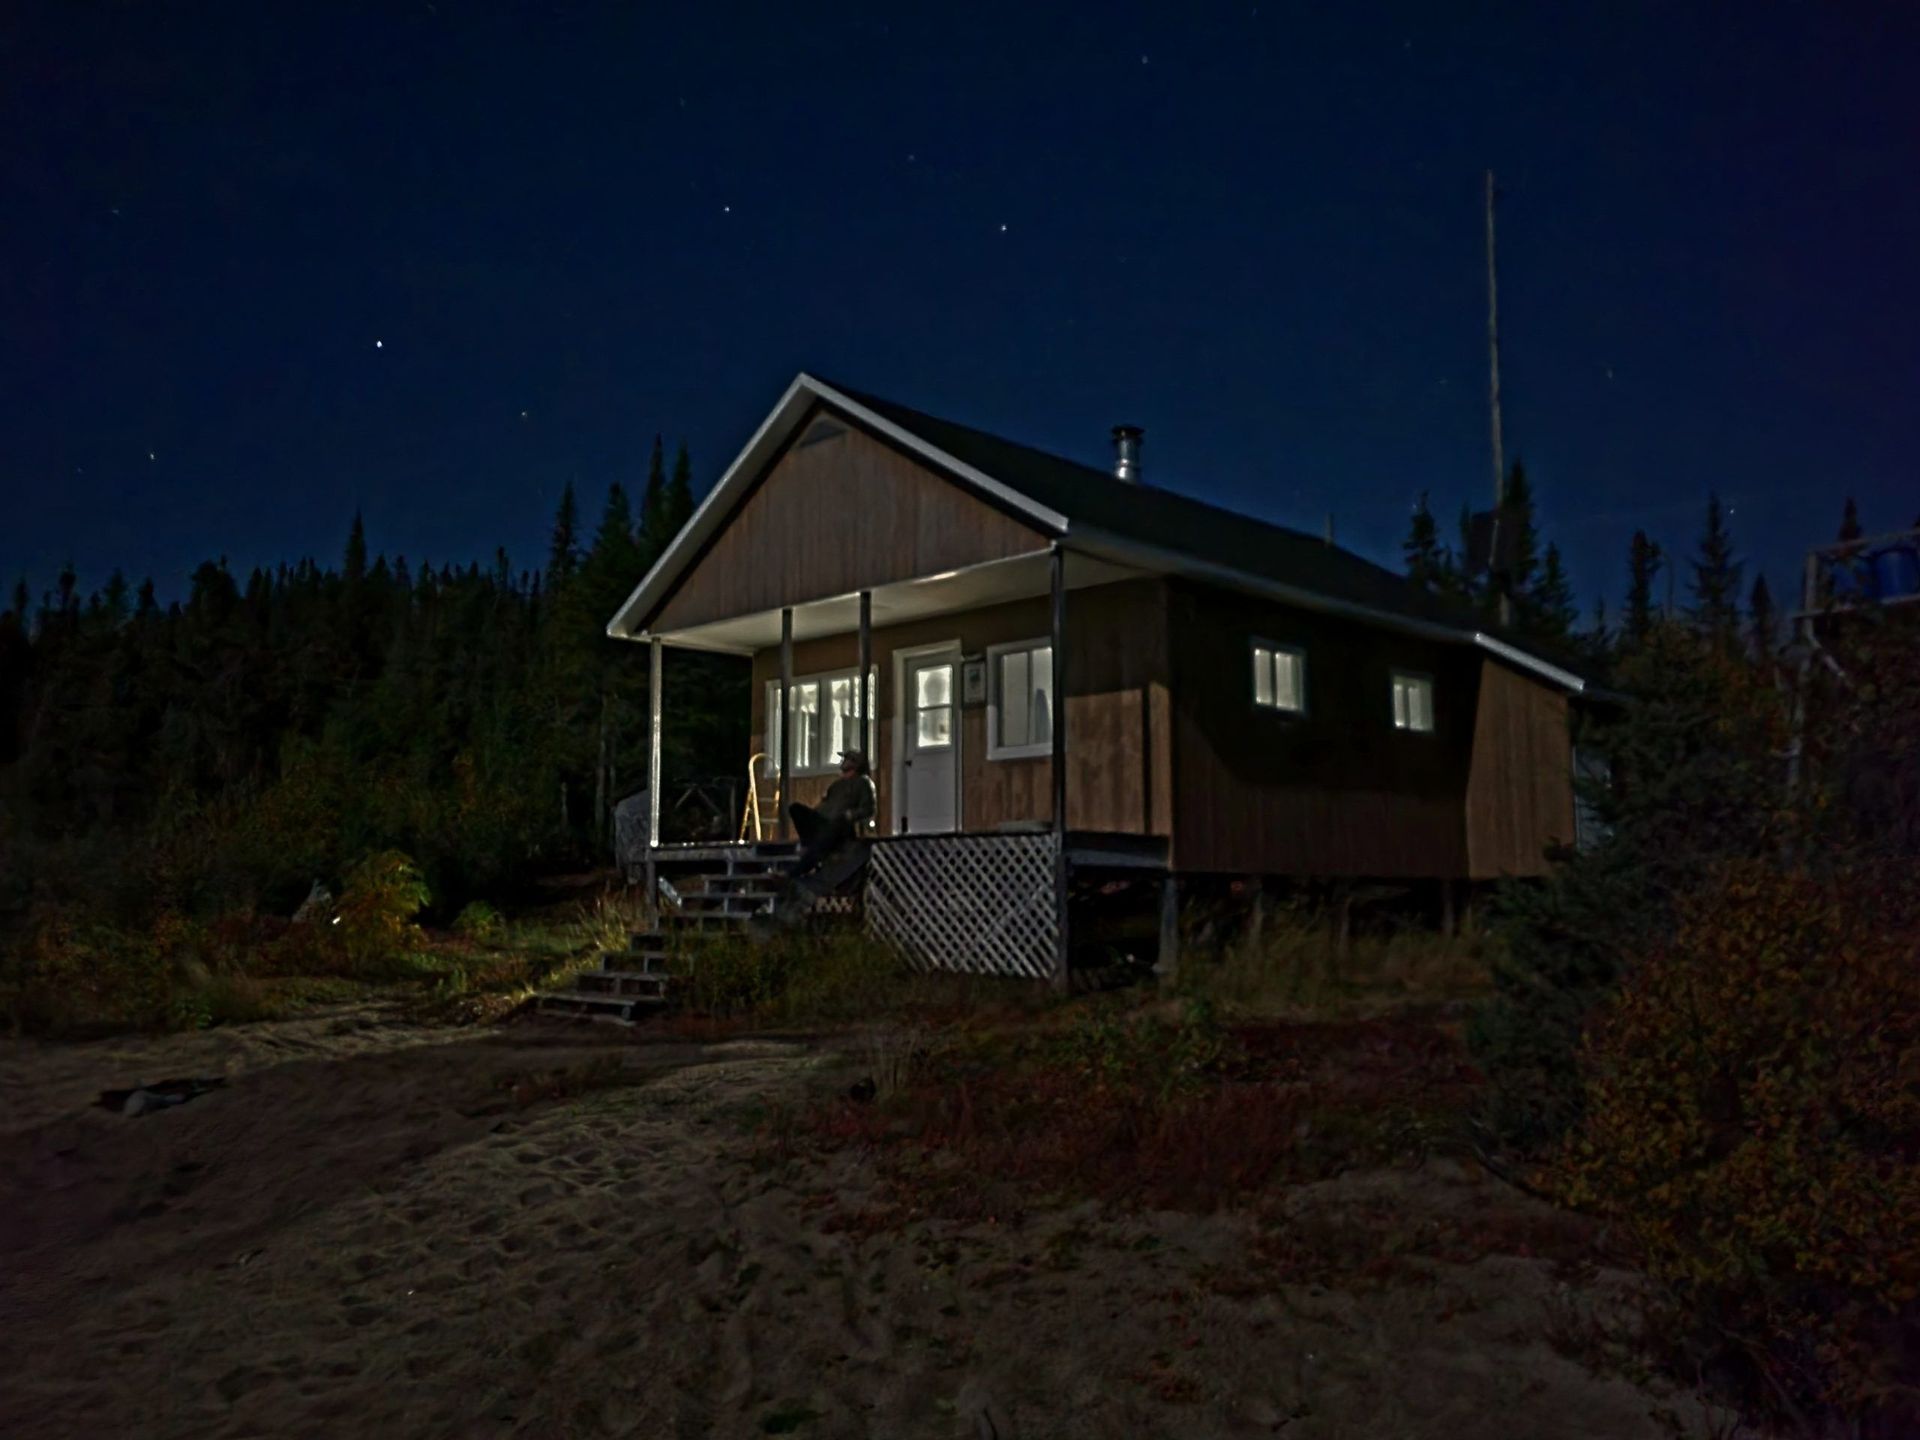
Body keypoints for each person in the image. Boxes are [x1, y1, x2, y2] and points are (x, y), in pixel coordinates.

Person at [787, 749, 876, 882]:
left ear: (854, 764)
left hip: (841, 826)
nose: (842, 762)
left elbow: (868, 808)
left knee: (821, 843)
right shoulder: (837, 785)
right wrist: (815, 813)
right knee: (795, 808)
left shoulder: (863, 782)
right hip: (824, 822)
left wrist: (849, 815)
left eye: (845, 759)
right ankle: (808, 844)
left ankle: (791, 873)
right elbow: (826, 802)